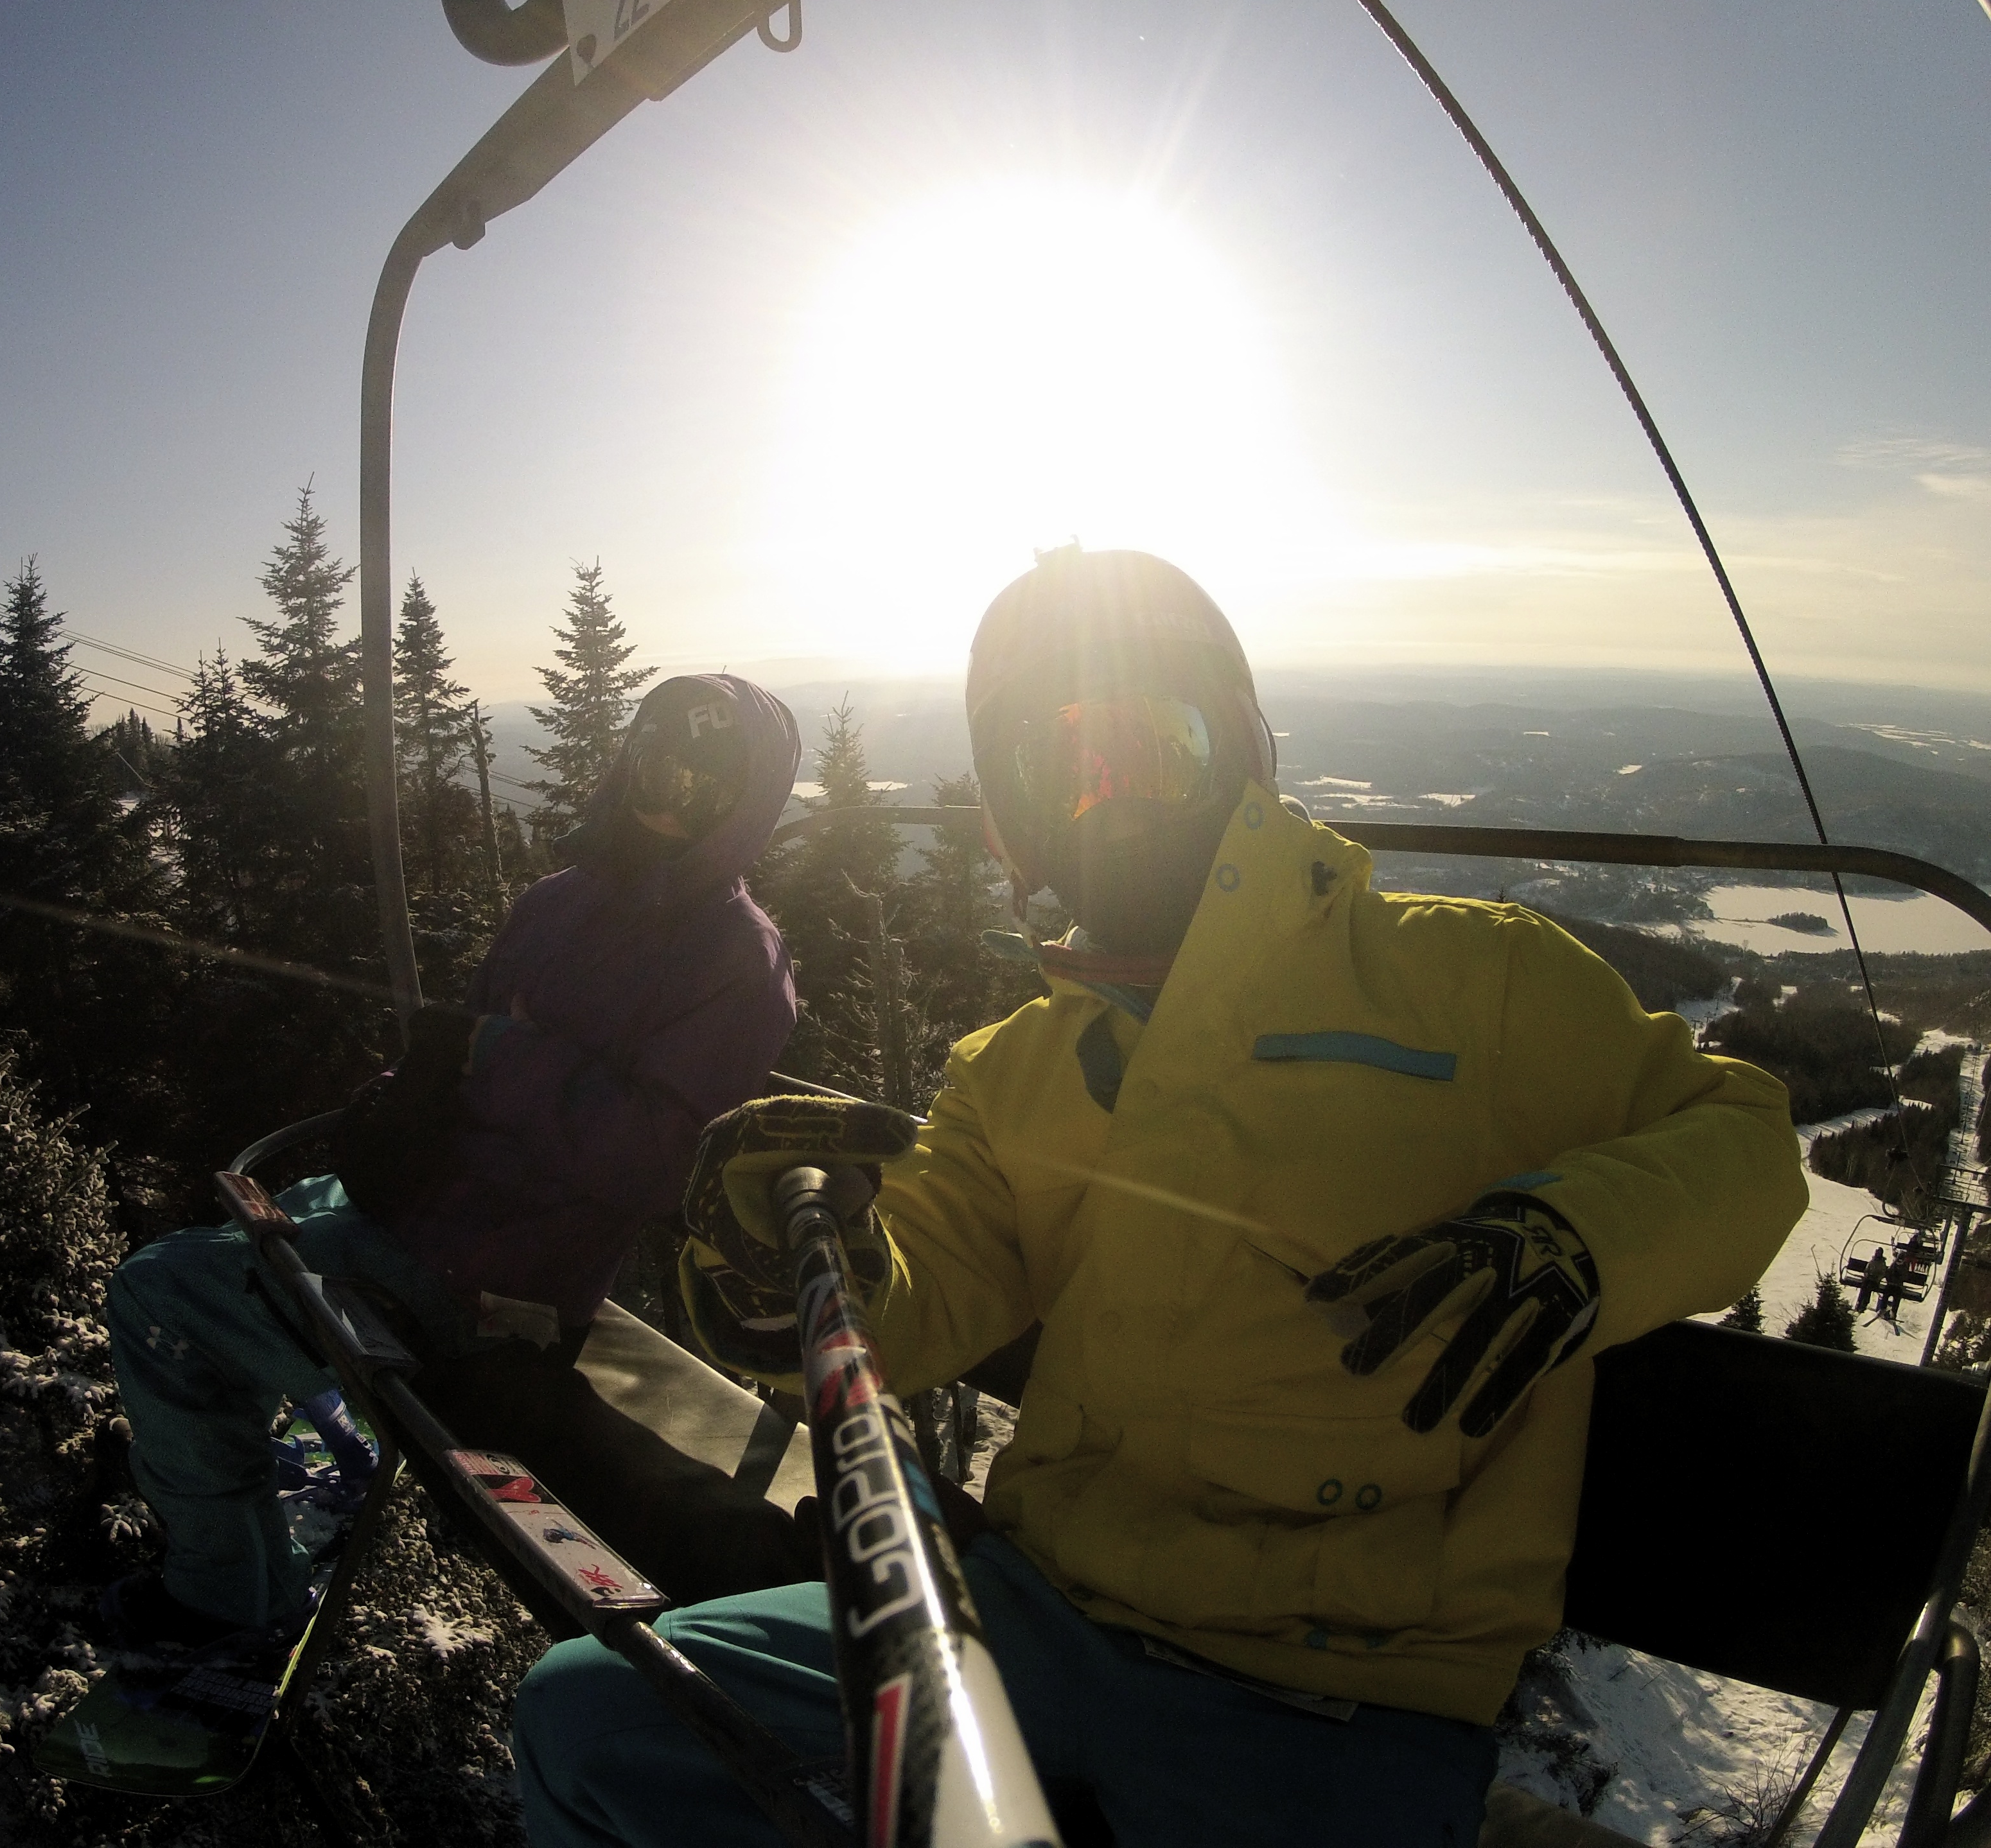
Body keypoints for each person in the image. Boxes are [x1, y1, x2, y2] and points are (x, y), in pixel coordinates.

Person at [511, 547, 1808, 1847]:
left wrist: (1578, 1234)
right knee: (600, 1723)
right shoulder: (1016, 1069)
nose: (1105, 802)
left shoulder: (1473, 983)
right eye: (1054, 769)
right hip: (1029, 1622)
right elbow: (917, 1302)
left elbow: (1743, 1133)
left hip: (1342, 1696)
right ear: (1013, 820)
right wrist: (803, 1262)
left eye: (1150, 748)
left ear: (1240, 756)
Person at [103, 673, 809, 1648]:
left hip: (497, 1288)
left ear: (744, 805)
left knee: (159, 1294)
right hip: (425, 1212)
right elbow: (469, 1053)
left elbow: (653, 1163)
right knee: (231, 1241)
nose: (668, 792)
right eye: (656, 762)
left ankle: (229, 1603)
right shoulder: (558, 903)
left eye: (703, 782)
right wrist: (433, 1084)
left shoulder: (735, 959)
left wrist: (500, 1055)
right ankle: (227, 1477)